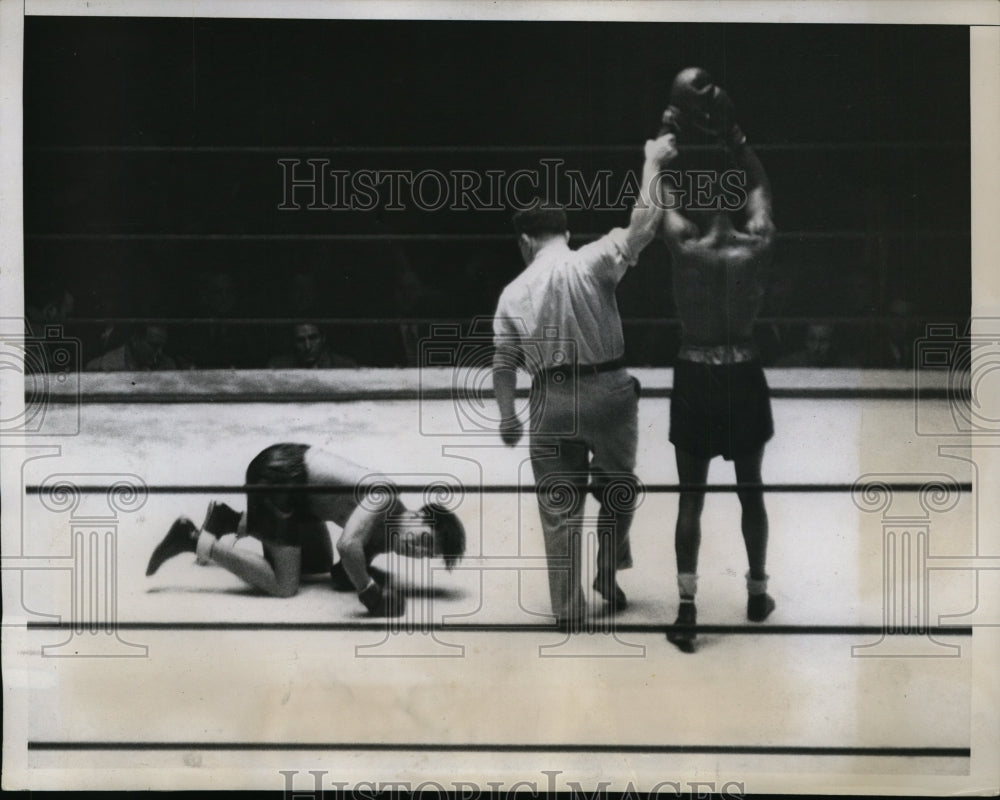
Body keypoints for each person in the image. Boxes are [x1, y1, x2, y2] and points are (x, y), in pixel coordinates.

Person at [491, 132, 678, 628]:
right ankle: (606, 568)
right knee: (619, 488)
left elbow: (504, 363)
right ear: (566, 234)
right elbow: (645, 222)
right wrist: (652, 162)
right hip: (609, 391)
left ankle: (569, 611)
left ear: (526, 241)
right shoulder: (590, 260)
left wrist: (508, 415)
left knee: (558, 508)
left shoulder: (512, 293)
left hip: (549, 399)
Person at [656, 68, 777, 653]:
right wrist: (740, 144)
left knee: (690, 497)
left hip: (696, 366)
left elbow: (661, 197)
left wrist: (665, 135)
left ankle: (686, 610)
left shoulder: (685, 246)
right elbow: (758, 189)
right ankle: (756, 593)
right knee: (750, 489)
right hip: (744, 366)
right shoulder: (756, 244)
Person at [144, 443, 466, 616]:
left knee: (316, 566)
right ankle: (192, 539)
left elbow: (341, 574)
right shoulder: (384, 496)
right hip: (279, 475)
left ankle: (228, 520)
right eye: (424, 540)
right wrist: (371, 593)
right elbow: (348, 546)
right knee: (285, 585)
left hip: (300, 500)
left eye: (427, 554)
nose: (417, 551)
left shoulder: (388, 538)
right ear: (418, 516)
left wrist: (368, 577)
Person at [84, 323, 177, 371]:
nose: (160, 352)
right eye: (154, 346)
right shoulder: (99, 367)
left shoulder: (168, 366)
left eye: (162, 346)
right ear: (135, 339)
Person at [266, 323, 357, 369]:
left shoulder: (345, 366)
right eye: (300, 340)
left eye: (313, 338)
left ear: (323, 338)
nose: (308, 346)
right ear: (293, 342)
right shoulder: (278, 367)